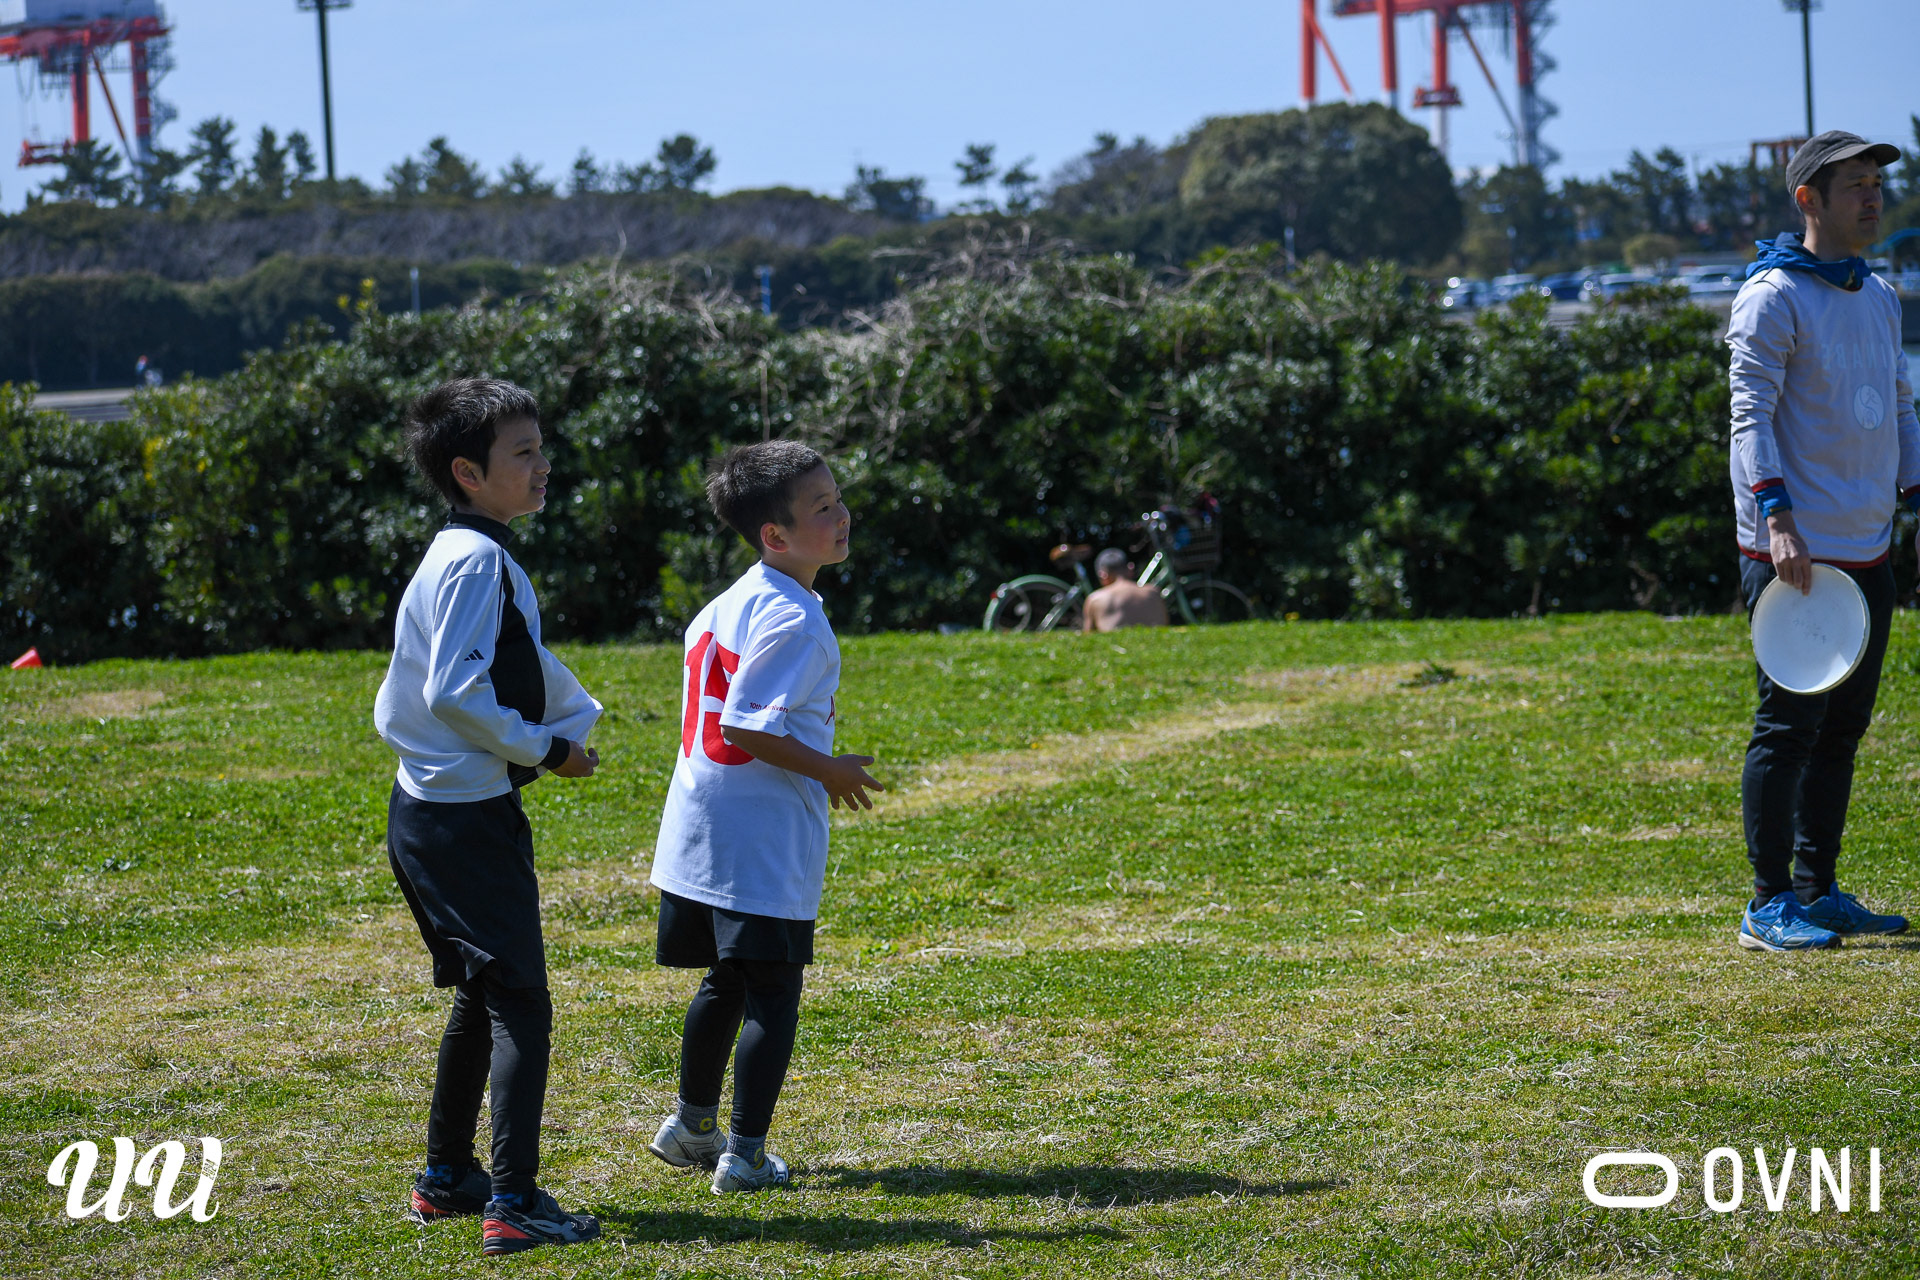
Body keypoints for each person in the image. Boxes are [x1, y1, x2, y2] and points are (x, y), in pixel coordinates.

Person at [373, 377, 606, 1255]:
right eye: (524, 453)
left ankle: (447, 1178)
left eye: (541, 448)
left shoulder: (462, 551)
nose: (543, 466)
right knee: (520, 1005)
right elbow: (453, 691)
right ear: (468, 473)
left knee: (482, 992)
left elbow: (499, 665)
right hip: (463, 821)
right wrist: (548, 749)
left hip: (430, 812)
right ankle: (514, 1203)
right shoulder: (475, 560)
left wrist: (562, 722)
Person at [645, 440, 883, 1194]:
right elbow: (746, 724)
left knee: (727, 980)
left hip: (701, 824)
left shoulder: (727, 602)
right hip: (759, 835)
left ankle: (691, 1126)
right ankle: (744, 1157)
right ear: (774, 534)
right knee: (773, 991)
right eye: (823, 508)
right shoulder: (795, 619)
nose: (842, 516)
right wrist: (831, 770)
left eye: (838, 499)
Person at [1727, 130, 1920, 951]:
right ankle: (1768, 904)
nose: (1873, 197)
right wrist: (1777, 521)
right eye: (1855, 185)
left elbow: (1901, 406)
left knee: (1842, 729)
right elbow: (1749, 416)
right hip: (1796, 552)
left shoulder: (1878, 295)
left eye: (1877, 183)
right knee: (1789, 728)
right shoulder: (1772, 296)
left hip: (1866, 546)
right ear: (1808, 199)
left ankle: (1818, 890)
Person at [1082, 548, 1169, 633]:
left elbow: (1089, 638)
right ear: (1130, 569)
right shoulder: (1153, 593)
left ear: (1103, 575)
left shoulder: (1095, 599)